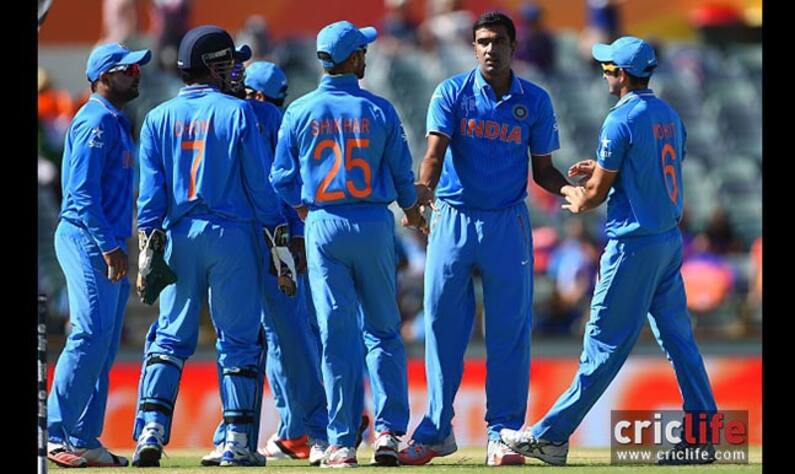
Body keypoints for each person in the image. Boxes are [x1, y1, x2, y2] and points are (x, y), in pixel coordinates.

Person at [500, 36, 719, 466]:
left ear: (620, 74)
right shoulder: (669, 114)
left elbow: (596, 195)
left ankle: (551, 436)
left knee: (603, 343)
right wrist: (603, 169)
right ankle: (703, 435)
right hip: (667, 243)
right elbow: (650, 169)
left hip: (633, 246)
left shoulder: (620, 120)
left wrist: (582, 195)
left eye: (608, 68)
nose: (603, 74)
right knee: (680, 342)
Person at [397, 11, 578, 467]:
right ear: (473, 46)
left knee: (510, 332)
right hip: (454, 218)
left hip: (506, 223)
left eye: (498, 40)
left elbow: (544, 171)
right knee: (440, 327)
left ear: (513, 46)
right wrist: (422, 194)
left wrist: (571, 189)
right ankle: (437, 430)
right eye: (481, 41)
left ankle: (504, 433)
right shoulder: (452, 93)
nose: (489, 49)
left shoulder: (533, 100)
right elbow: (434, 154)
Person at [271, 20, 427, 468]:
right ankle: (389, 434)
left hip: (323, 223)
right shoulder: (379, 109)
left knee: (336, 336)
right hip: (373, 224)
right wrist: (413, 214)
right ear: (353, 58)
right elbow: (401, 176)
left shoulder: (299, 111)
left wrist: (303, 207)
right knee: (382, 330)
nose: (367, 56)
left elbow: (280, 177)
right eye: (362, 51)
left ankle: (341, 442)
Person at [131, 25, 286, 467]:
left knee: (169, 338)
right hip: (232, 237)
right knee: (238, 341)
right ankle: (237, 439)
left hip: (178, 236)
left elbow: (151, 194)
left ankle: (151, 432)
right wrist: (276, 235)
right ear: (214, 65)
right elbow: (259, 185)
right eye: (229, 62)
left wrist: (148, 241)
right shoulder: (237, 113)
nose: (235, 70)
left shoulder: (157, 117)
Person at [200, 60, 330, 467]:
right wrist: (294, 235)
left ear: (255, 94)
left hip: (242, 238)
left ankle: (235, 435)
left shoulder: (237, 114)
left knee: (243, 343)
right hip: (275, 240)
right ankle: (314, 431)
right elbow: (293, 184)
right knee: (290, 339)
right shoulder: (274, 116)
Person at [47, 42, 151, 468]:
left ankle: (84, 437)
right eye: (127, 69)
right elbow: (81, 194)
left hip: (103, 241)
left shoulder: (115, 122)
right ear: (104, 77)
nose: (137, 75)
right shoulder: (95, 121)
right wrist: (109, 246)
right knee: (89, 334)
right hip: (86, 239)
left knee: (103, 345)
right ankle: (54, 433)